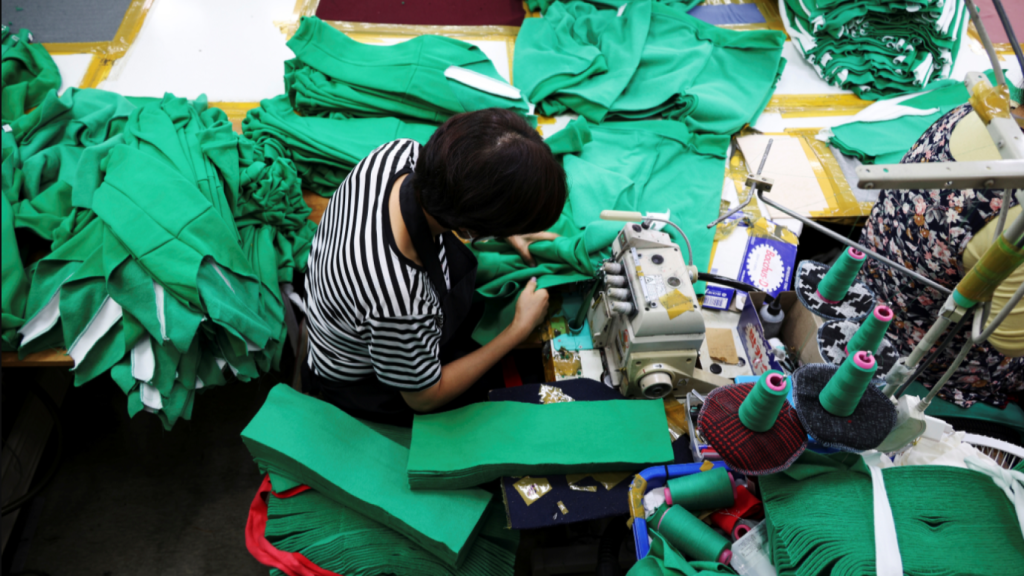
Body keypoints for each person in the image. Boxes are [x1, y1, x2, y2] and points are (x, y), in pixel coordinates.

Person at [302, 108, 568, 426]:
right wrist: (517, 330)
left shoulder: (398, 154)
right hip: (362, 382)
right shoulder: (400, 296)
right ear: (470, 227)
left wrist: (507, 228)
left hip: (347, 308)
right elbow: (425, 398)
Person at [858, 97, 1024, 410]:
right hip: (929, 359)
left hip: (870, 288)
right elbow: (1011, 341)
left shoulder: (977, 108)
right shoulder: (1014, 219)